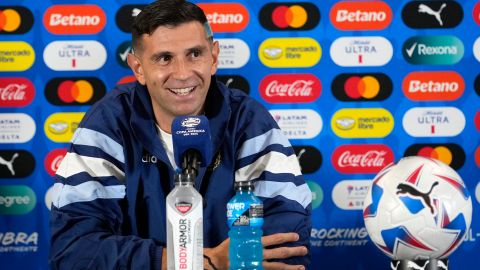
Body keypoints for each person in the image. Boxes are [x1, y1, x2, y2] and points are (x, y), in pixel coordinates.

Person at [49, 0, 312, 269]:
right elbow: (73, 250)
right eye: (164, 58)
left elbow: (288, 244)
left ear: (214, 57)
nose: (183, 73)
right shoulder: (108, 125)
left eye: (195, 54)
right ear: (138, 68)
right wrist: (198, 263)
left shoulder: (249, 123)